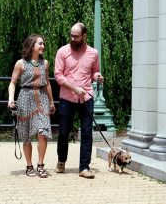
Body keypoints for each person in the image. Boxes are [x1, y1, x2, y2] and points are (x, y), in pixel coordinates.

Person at [54, 23, 104, 179]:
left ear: (84, 36)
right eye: (71, 35)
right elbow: (58, 75)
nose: (72, 39)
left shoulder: (93, 53)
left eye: (76, 36)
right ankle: (61, 161)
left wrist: (98, 77)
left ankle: (84, 167)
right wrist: (74, 88)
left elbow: (94, 71)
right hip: (67, 98)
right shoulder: (62, 51)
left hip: (86, 98)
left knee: (87, 133)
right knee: (63, 132)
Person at [8, 34, 55, 178]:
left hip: (41, 98)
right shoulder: (20, 63)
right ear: (32, 46)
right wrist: (11, 99)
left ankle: (40, 165)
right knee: (26, 134)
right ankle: (29, 165)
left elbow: (47, 83)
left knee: (43, 132)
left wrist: (51, 102)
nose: (43, 46)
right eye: (39, 44)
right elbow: (13, 82)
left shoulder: (45, 63)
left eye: (43, 44)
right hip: (25, 98)